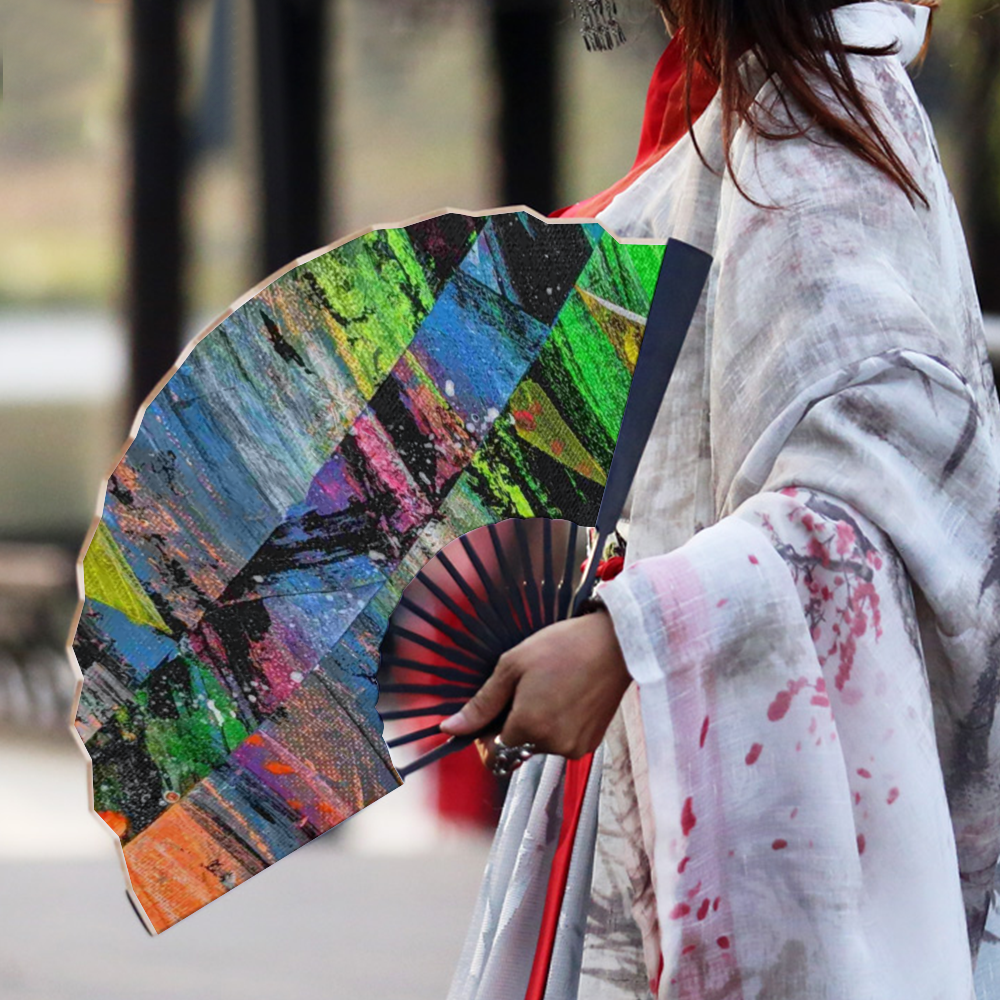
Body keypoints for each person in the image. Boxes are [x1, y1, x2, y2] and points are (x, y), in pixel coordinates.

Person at [439, 1, 1000, 997]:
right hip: (674, 743)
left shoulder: (811, 142)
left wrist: (626, 637)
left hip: (757, 783)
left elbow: (868, 502)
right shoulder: (778, 107)